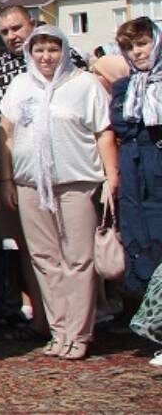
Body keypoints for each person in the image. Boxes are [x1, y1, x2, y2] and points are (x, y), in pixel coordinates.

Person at [0, 25, 117, 360]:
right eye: (39, 50)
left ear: (63, 50)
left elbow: (103, 132)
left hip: (75, 182)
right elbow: (6, 134)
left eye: (52, 49)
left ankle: (79, 333)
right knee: (44, 259)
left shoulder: (84, 84)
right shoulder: (20, 85)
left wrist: (110, 177)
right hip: (30, 184)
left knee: (78, 259)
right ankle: (58, 329)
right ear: (30, 54)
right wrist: (6, 180)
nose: (46, 56)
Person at [110, 17, 162, 301]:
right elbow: (121, 127)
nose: (137, 52)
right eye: (130, 47)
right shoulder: (123, 87)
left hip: (158, 160)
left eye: (143, 44)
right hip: (132, 165)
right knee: (139, 239)